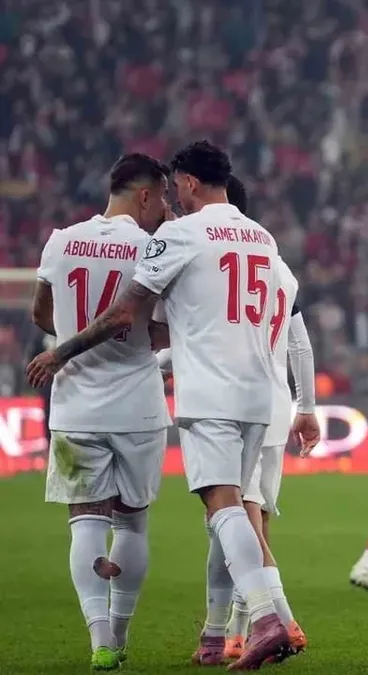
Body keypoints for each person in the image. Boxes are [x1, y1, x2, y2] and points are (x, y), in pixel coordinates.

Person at [30, 140, 292, 670]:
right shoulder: (262, 237)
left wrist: (61, 351)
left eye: (177, 188)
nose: (173, 200)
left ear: (189, 182)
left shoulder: (157, 236)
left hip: (192, 393)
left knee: (216, 508)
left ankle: (262, 618)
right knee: (211, 512)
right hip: (251, 392)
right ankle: (224, 630)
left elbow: (118, 314)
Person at [152, 174, 321, 661]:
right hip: (270, 403)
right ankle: (225, 634)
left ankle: (276, 622)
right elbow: (299, 345)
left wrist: (159, 364)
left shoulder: (211, 259)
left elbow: (213, 336)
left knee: (231, 517)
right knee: (246, 521)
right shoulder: (276, 265)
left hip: (230, 398)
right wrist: (306, 406)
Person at [28, 153, 172, 671]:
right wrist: (139, 340)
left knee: (85, 522)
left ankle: (99, 642)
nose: (165, 209)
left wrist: (72, 333)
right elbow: (165, 327)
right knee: (131, 526)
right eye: (163, 198)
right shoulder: (152, 248)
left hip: (75, 407)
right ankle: (122, 632)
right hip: (138, 408)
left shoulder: (61, 240)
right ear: (145, 195)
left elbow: (40, 313)